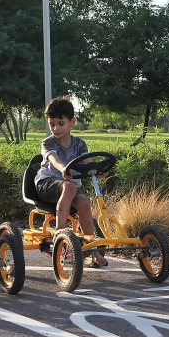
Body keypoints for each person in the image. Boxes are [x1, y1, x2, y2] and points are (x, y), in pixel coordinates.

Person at [35, 96, 105, 267]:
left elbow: (87, 163)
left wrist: (97, 170)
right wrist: (63, 169)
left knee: (83, 201)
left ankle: (93, 251)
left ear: (72, 121)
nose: (55, 128)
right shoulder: (48, 142)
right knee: (69, 187)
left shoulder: (79, 144)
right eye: (52, 124)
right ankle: (60, 230)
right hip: (47, 184)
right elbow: (54, 159)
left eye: (60, 123)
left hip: (70, 187)